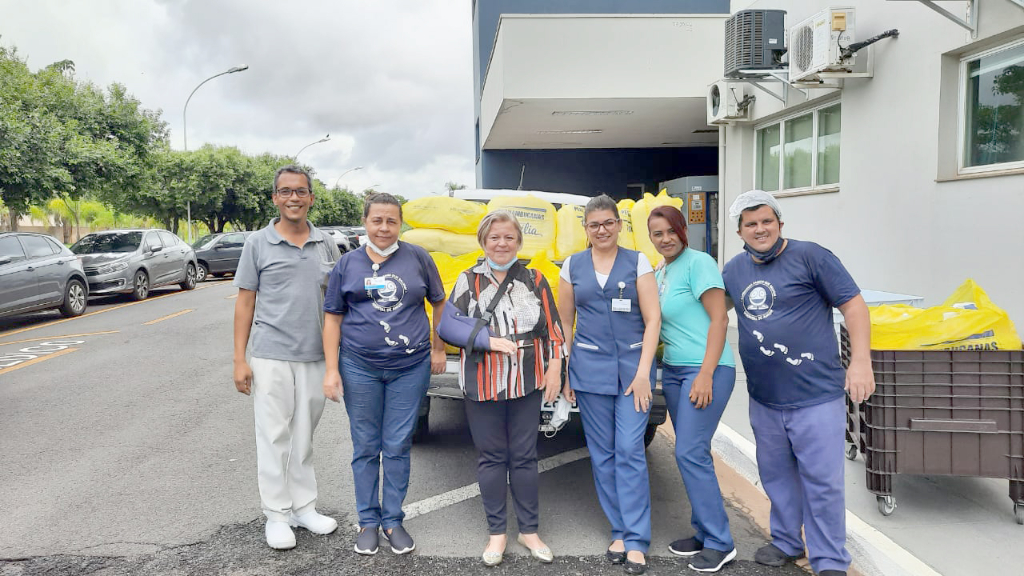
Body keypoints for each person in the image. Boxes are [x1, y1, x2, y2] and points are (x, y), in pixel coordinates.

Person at [721, 190, 874, 576]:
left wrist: (860, 362)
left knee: (822, 482)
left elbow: (853, 305)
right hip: (765, 397)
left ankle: (829, 560)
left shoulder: (811, 256)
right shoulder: (734, 271)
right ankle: (788, 541)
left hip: (816, 396)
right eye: (751, 224)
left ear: (780, 224)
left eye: (766, 221)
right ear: (739, 231)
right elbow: (708, 309)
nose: (760, 229)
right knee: (776, 476)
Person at [436, 210, 565, 567]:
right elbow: (448, 326)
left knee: (524, 456)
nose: (502, 243)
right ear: (483, 242)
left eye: (509, 237)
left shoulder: (536, 279)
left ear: (519, 242)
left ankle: (529, 530)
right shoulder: (467, 280)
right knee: (492, 456)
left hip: (527, 381)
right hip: (482, 381)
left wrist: (555, 369)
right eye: (494, 237)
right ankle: (497, 534)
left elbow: (554, 330)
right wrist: (489, 342)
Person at [321, 192, 447, 556]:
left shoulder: (418, 258)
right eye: (377, 220)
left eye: (391, 220)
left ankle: (392, 520)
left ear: (400, 223)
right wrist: (332, 369)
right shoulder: (347, 265)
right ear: (365, 222)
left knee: (396, 445)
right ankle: (368, 522)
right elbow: (332, 316)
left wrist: (438, 348)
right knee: (365, 446)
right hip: (359, 367)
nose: (384, 227)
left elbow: (439, 303)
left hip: (410, 368)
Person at [232, 164, 342, 550]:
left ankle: (303, 508)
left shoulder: (327, 243)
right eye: (285, 191)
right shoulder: (257, 243)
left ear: (311, 198)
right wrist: (239, 359)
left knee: (304, 437)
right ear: (275, 198)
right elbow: (245, 302)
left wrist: (336, 360)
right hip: (270, 355)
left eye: (301, 191)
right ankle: (276, 515)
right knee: (273, 436)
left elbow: (337, 303)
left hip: (315, 355)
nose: (293, 198)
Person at [557, 194, 661, 576]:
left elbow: (653, 320)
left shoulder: (639, 262)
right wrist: (566, 372)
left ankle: (636, 538)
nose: (601, 230)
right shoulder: (572, 266)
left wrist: (643, 371)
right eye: (593, 224)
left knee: (630, 448)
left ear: (619, 225)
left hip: (634, 370)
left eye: (608, 223)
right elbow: (565, 324)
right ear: (586, 229)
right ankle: (619, 530)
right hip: (589, 369)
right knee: (602, 453)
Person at [648, 205, 737, 573]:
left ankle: (721, 542)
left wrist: (705, 373)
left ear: (682, 230)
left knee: (688, 451)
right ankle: (703, 532)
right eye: (657, 233)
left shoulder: (699, 263)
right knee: (693, 453)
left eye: (671, 230)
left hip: (706, 371)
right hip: (673, 371)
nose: (665, 238)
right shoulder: (659, 272)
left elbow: (720, 318)